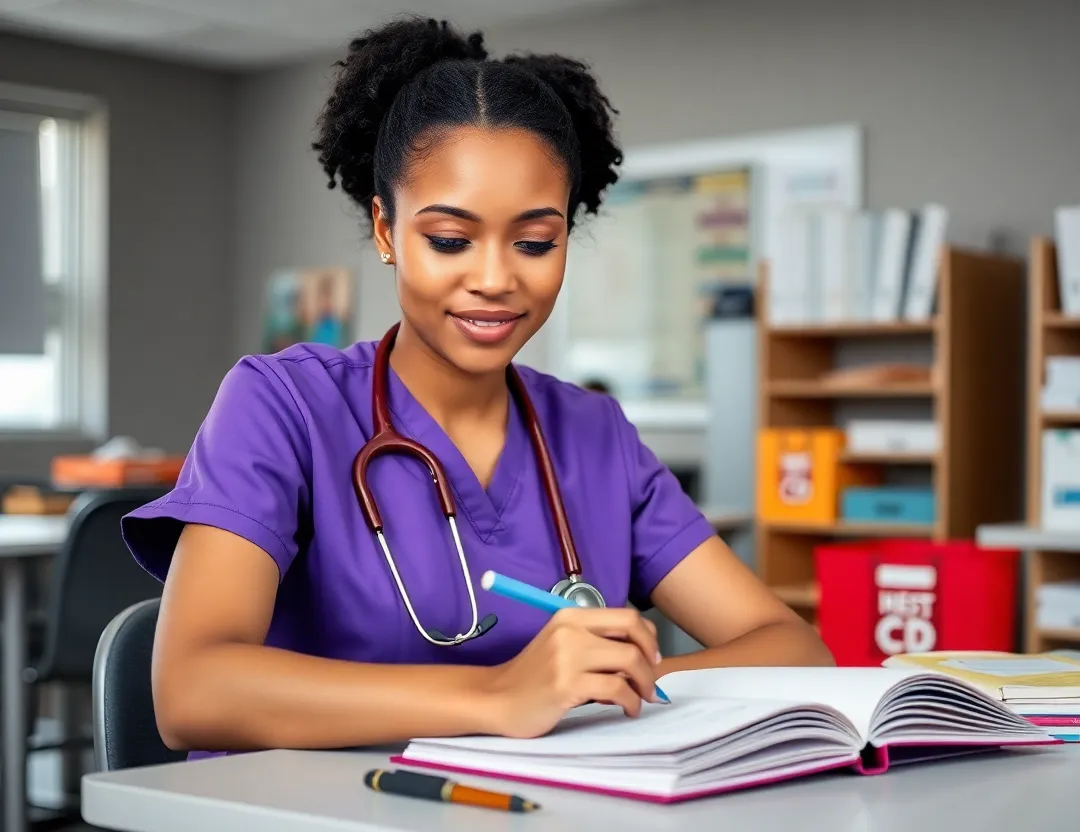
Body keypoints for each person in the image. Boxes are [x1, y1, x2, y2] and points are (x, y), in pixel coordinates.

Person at [121, 16, 833, 759]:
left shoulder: (593, 432)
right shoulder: (281, 404)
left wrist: (613, 689)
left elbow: (792, 647)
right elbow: (191, 691)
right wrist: (499, 696)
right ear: (387, 230)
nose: (495, 279)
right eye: (451, 240)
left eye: (534, 242)